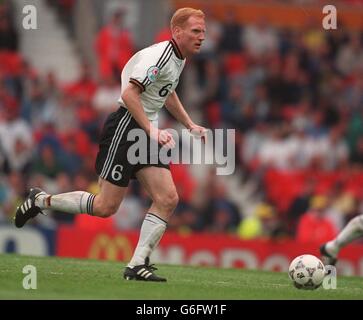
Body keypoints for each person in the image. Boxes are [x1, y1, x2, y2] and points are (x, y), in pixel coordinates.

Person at [14, 7, 207, 282]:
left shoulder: (178, 58)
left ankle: (137, 264)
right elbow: (129, 93)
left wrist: (189, 124)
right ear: (177, 32)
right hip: (127, 126)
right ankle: (41, 200)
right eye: (196, 31)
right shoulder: (160, 55)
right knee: (106, 207)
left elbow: (167, 90)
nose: (201, 37)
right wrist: (152, 129)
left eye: (203, 32)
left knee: (167, 198)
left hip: (143, 130)